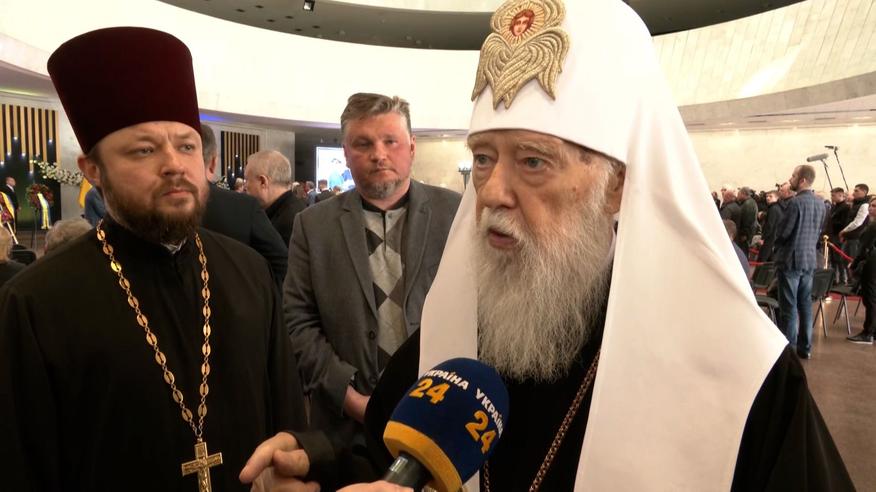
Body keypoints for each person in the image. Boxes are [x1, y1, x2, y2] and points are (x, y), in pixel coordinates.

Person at [254, 1, 852, 491]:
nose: (492, 191)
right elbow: (391, 456)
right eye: (483, 159)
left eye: (533, 161)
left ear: (617, 185)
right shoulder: (459, 326)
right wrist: (316, 462)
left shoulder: (740, 377)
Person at [0, 27, 315, 491]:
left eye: (186, 146)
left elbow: (287, 425)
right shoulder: (33, 304)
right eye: (144, 150)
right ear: (93, 170)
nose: (174, 164)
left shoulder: (248, 272)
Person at [283, 92, 461, 485]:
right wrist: (350, 398)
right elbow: (297, 321)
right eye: (363, 144)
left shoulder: (455, 214)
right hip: (345, 435)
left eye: (390, 141)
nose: (378, 154)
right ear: (346, 153)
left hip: (439, 422)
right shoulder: (312, 226)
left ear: (411, 147)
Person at [200, 123, 289, 287]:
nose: (245, 186)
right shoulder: (244, 207)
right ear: (213, 162)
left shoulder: (248, 208)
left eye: (247, 180)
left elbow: (283, 267)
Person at [773, 164, 826, 359]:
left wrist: (776, 244)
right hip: (809, 260)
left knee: (789, 307)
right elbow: (818, 230)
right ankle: (805, 348)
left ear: (802, 180)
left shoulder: (795, 203)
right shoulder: (821, 203)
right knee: (805, 305)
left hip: (791, 260)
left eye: (794, 176)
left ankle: (789, 352)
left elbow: (784, 232)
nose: (791, 179)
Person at [244, 150, 306, 246]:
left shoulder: (290, 223)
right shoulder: (293, 212)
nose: (245, 186)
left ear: (263, 181)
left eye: (247, 180)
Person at [846, 196, 876, 344]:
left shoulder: (873, 226)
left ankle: (868, 333)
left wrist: (854, 264)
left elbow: (864, 248)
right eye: (871, 205)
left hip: (871, 265)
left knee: (870, 298)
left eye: (875, 206)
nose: (871, 208)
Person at [827, 187, 852, 284]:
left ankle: (842, 279)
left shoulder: (846, 207)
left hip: (839, 235)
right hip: (832, 234)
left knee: (839, 259)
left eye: (833, 195)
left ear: (840, 195)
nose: (831, 197)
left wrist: (832, 221)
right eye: (831, 195)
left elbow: (844, 223)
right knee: (833, 259)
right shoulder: (834, 206)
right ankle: (834, 279)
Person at [756, 190, 783, 262]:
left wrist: (763, 238)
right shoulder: (778, 208)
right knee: (770, 261)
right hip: (774, 239)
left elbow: (769, 226)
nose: (767, 198)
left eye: (771, 196)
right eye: (767, 196)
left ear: (777, 198)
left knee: (762, 260)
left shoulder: (773, 209)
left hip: (769, 239)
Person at [736, 186, 757, 253]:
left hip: (746, 235)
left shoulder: (748, 204)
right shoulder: (750, 202)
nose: (737, 196)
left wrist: (744, 234)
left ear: (743, 194)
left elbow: (748, 220)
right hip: (748, 233)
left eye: (738, 194)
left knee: (743, 251)